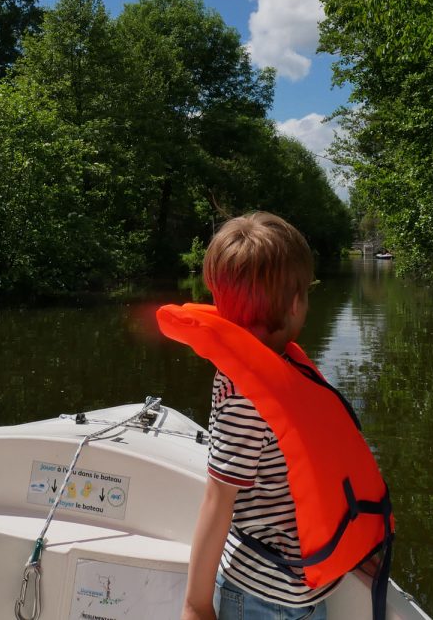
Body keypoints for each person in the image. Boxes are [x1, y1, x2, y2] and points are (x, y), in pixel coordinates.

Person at [156, 212, 393, 620]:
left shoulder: (282, 372)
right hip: (259, 598)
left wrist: (350, 547)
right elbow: (218, 499)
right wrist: (196, 604)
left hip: (301, 590)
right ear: (297, 302)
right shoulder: (244, 394)